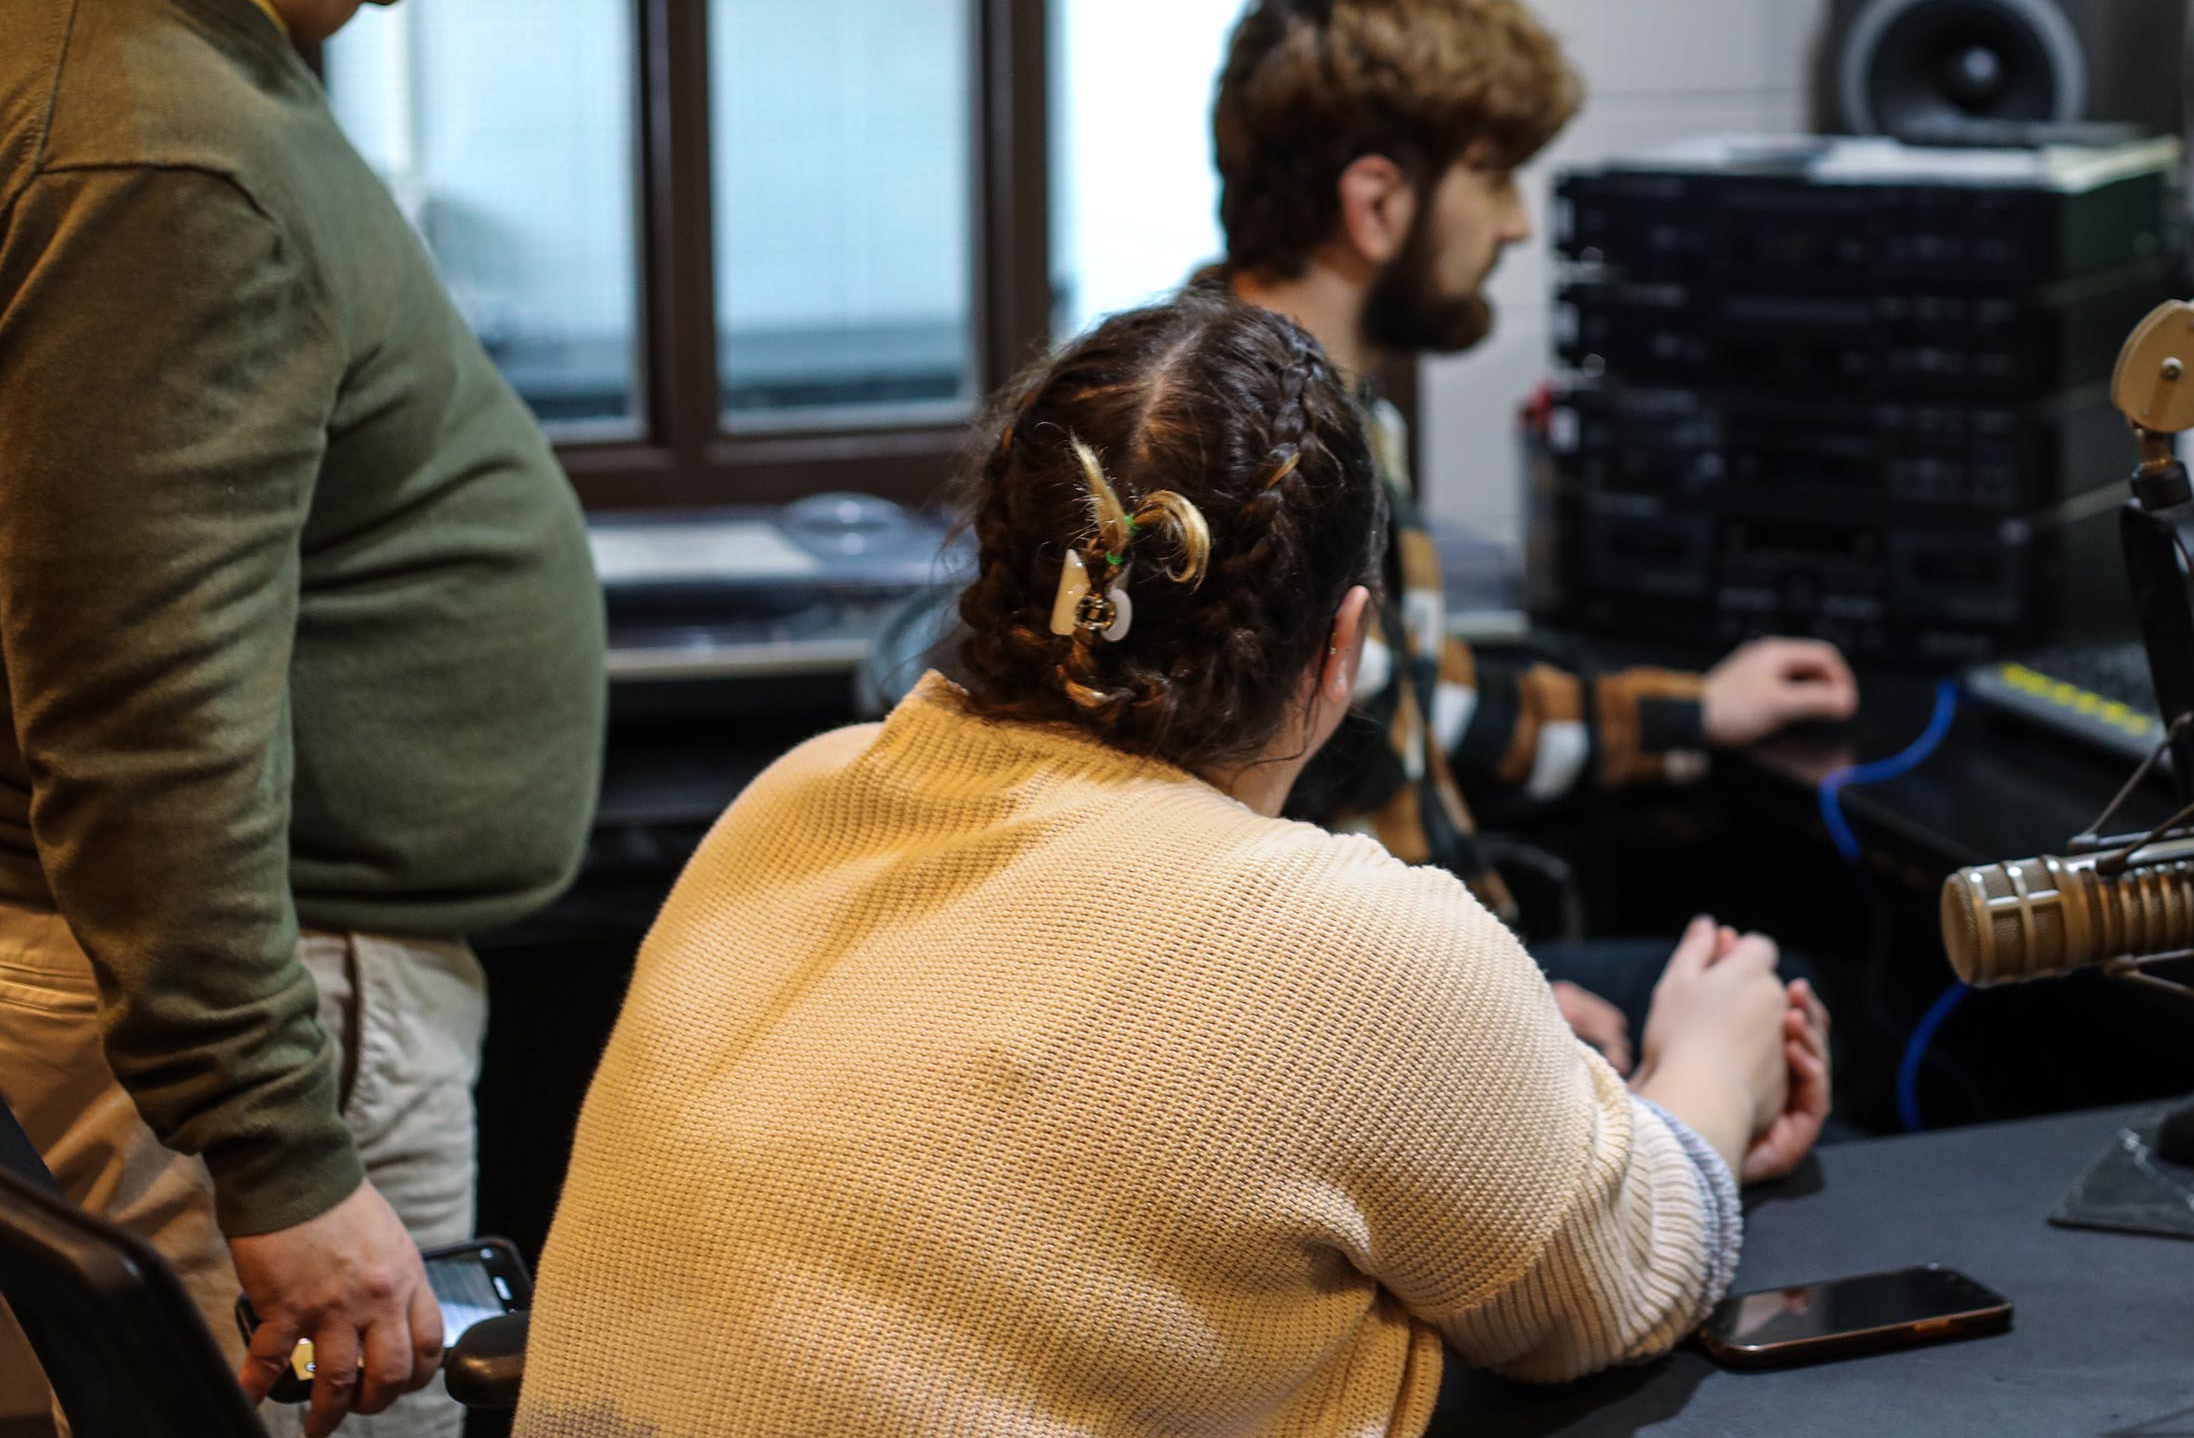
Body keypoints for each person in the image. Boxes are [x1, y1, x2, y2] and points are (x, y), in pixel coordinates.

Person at [517, 295, 1826, 1436]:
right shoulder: (1351, 946)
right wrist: (1708, 1063)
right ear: (1342, 649)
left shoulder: (797, 794)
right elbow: (1612, 1286)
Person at [0, 0, 600, 1437]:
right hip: (270, 996)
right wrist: (278, 1151)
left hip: (185, 973)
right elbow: (141, 699)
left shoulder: (75, 18)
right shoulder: (169, 145)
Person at [1212, 0, 1860, 1065]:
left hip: (1448, 966)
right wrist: (1495, 1008)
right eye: (1494, 177)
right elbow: (1224, 861)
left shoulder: (1311, 401)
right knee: (1788, 993)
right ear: (1376, 204)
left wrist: (1697, 712)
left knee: (1768, 979)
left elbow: (1408, 700)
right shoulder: (1252, 459)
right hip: (1367, 1017)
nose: (1515, 225)